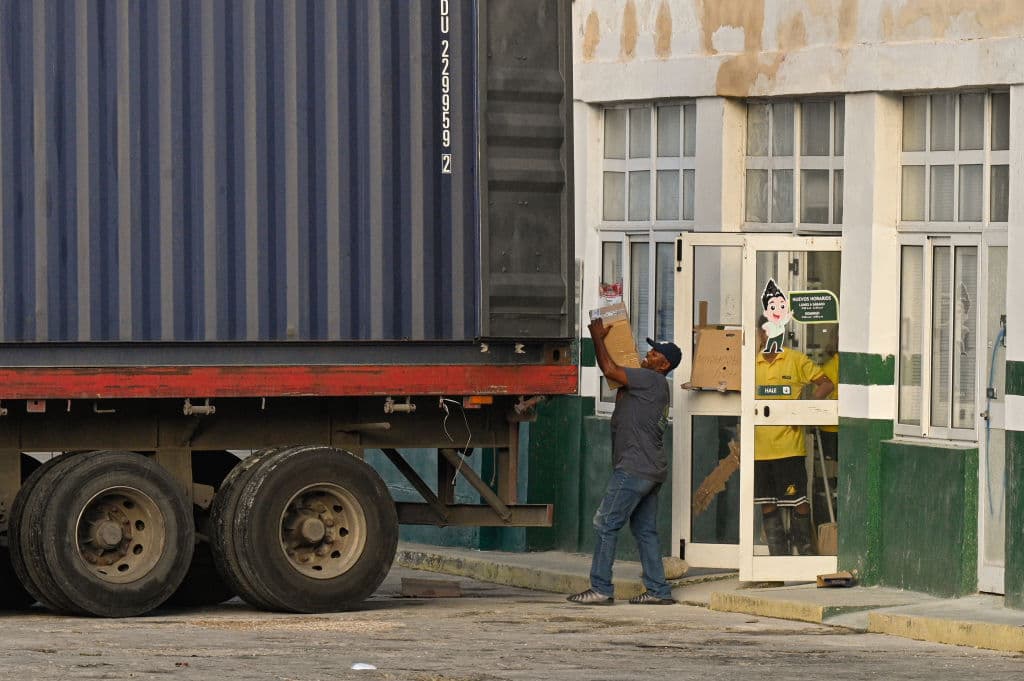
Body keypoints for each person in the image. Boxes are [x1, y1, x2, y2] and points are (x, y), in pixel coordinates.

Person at [567, 319, 681, 606]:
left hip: (634, 469)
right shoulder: (653, 385)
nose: (649, 353)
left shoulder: (650, 380)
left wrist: (597, 337)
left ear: (664, 364)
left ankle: (601, 587)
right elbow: (617, 379)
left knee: (605, 523)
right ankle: (658, 590)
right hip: (651, 470)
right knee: (645, 530)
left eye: (655, 353)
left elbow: (609, 370)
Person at [755, 315, 833, 556]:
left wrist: (804, 409)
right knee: (767, 504)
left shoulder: (796, 360)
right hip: (759, 448)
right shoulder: (751, 363)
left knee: (798, 501)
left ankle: (805, 554)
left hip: (789, 446)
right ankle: (778, 560)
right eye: (766, 331)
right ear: (760, 334)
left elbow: (826, 384)